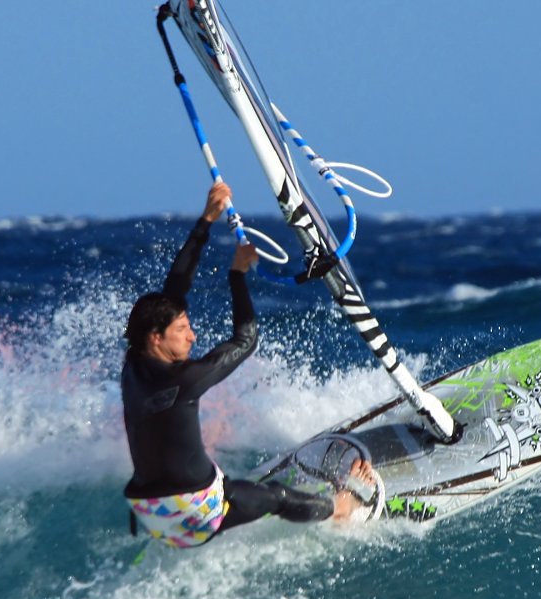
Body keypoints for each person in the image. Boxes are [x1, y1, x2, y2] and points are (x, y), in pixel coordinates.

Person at [122, 182, 370, 548]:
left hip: (147, 509)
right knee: (275, 497)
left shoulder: (133, 362)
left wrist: (207, 219)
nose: (192, 337)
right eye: (182, 330)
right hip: (194, 509)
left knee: (236, 487)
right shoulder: (184, 380)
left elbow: (174, 288)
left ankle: (182, 529)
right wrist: (237, 276)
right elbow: (246, 341)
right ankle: (341, 508)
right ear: (156, 338)